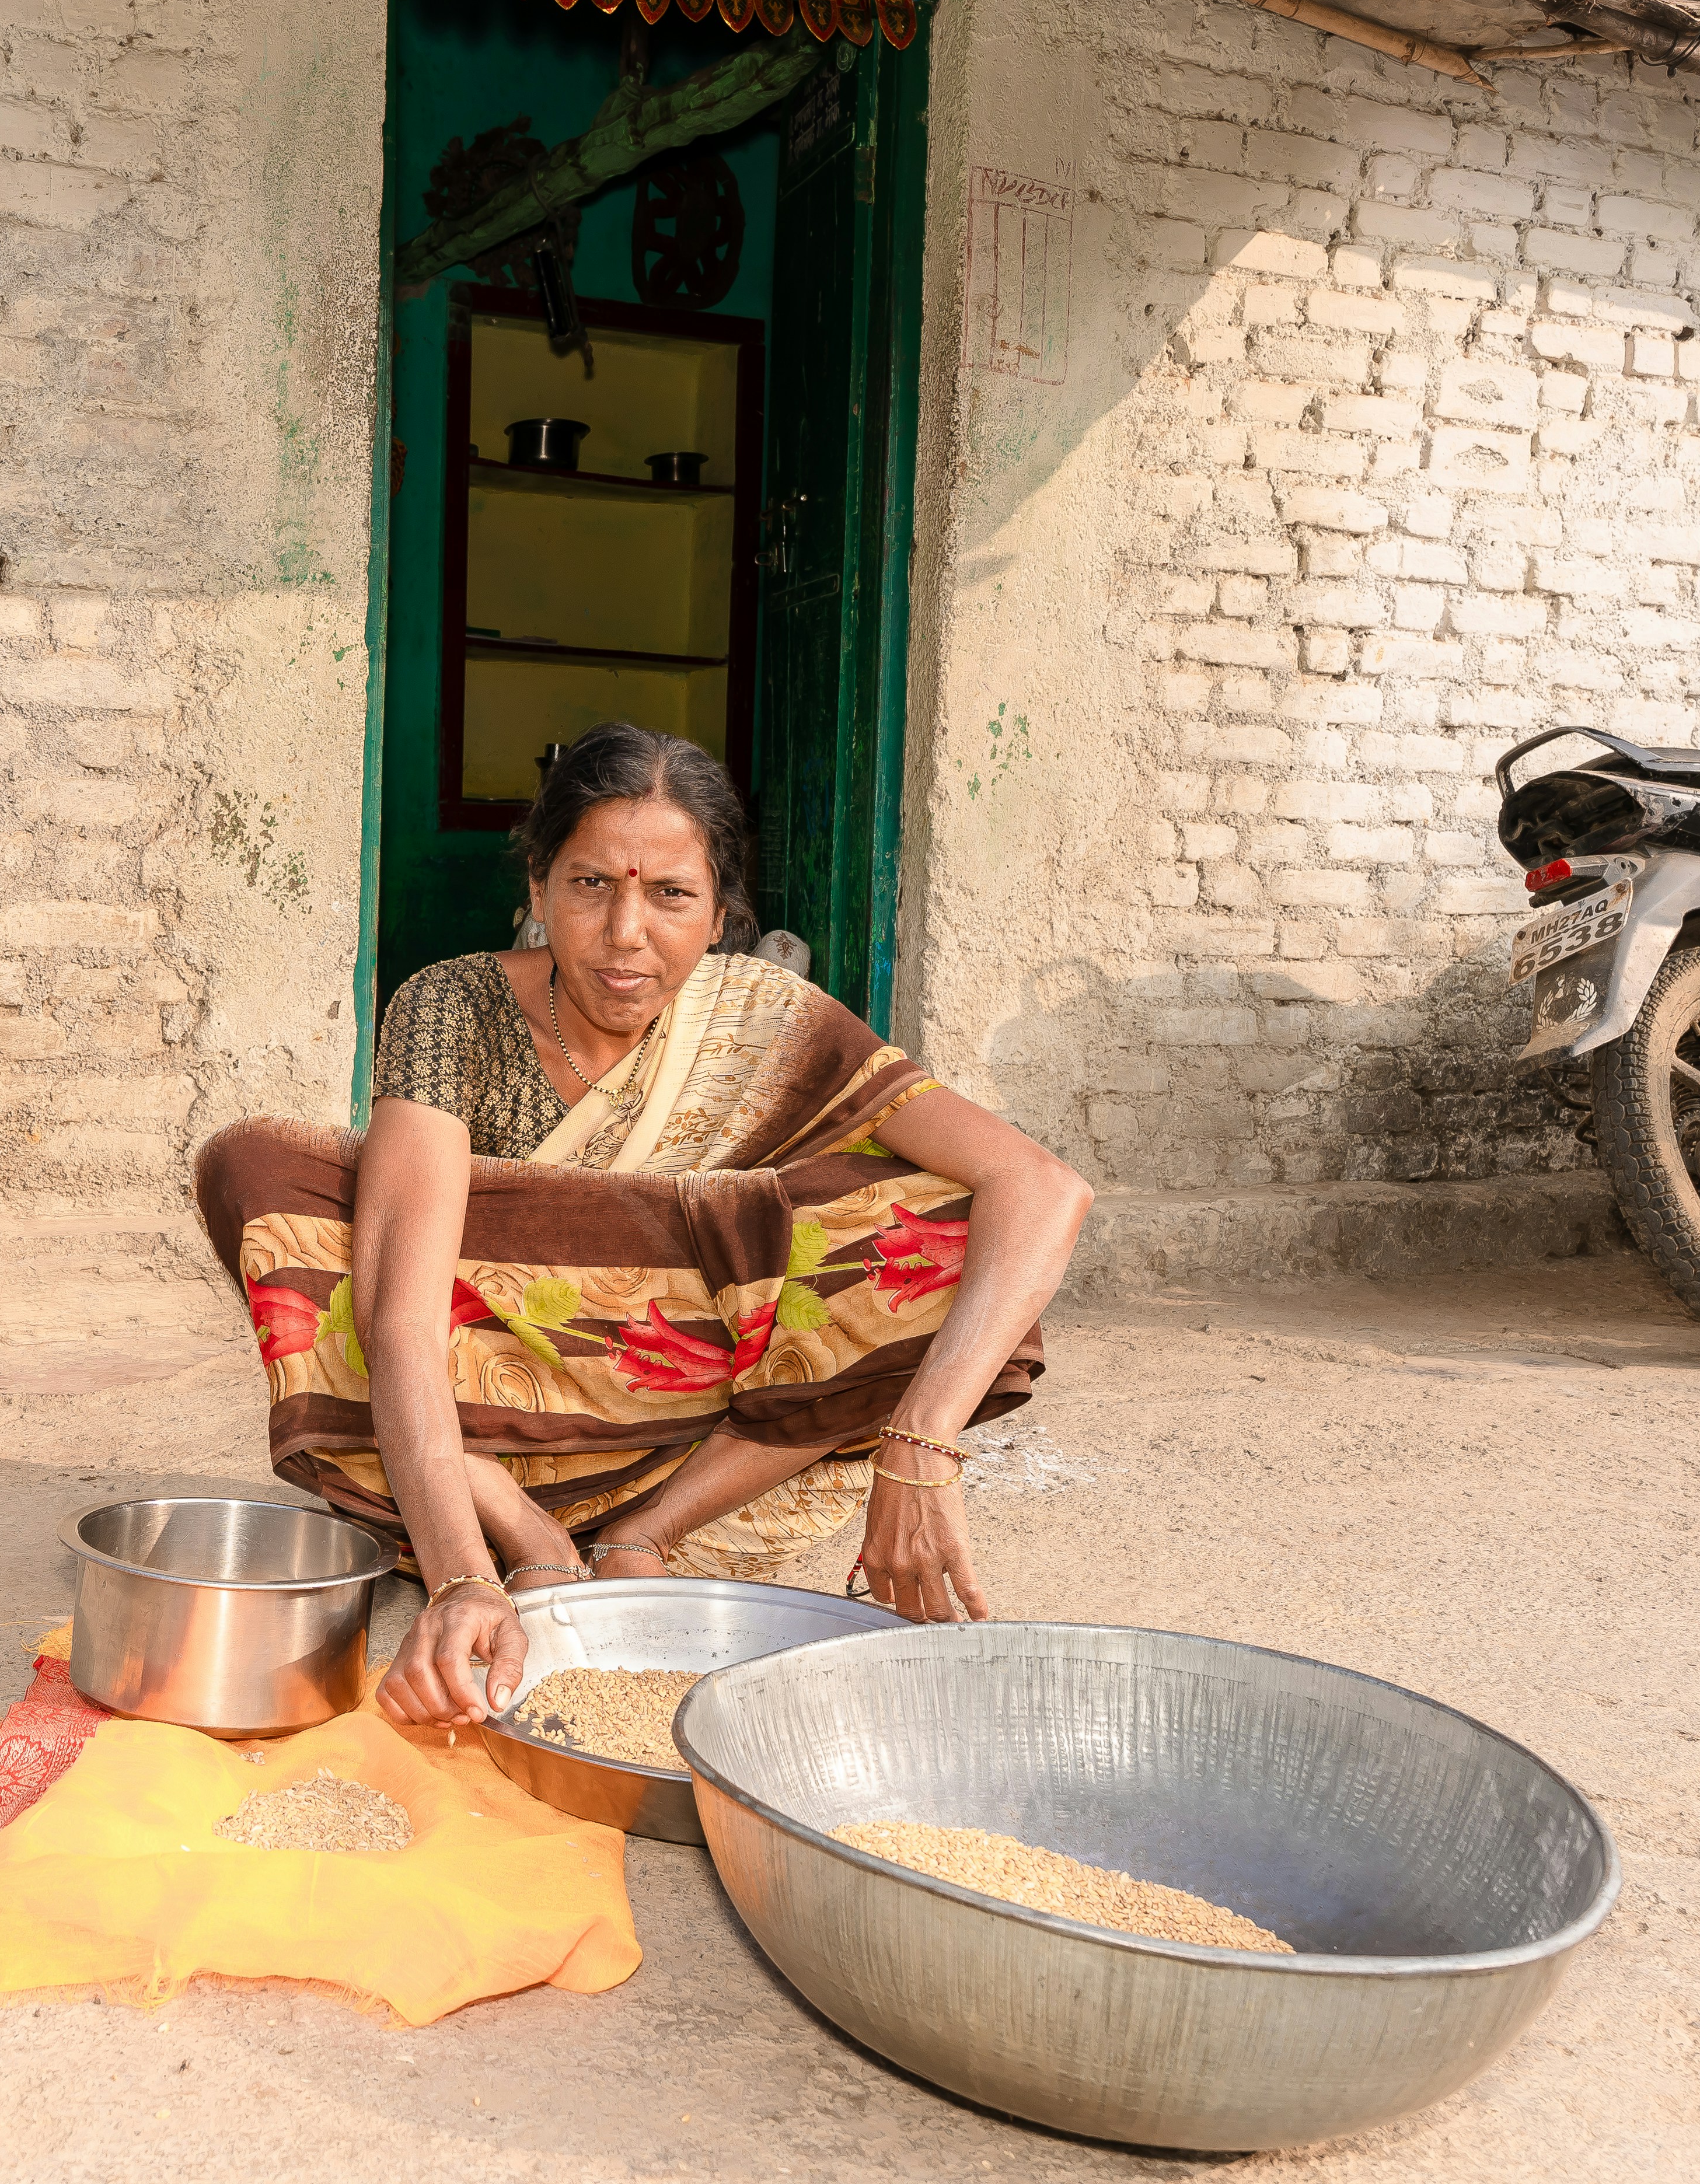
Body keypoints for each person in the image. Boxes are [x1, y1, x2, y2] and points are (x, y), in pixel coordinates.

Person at [193, 724, 1091, 1729]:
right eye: (589, 885)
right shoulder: (451, 1006)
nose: (626, 932)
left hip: (677, 1386)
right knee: (268, 1179)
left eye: (669, 895)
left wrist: (920, 1447)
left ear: (719, 915)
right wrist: (459, 1583)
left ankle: (640, 1535)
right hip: (480, 1373)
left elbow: (1041, 1187)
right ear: (537, 889)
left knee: (953, 1232)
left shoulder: (768, 1015)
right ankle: (519, 1525)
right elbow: (402, 1312)